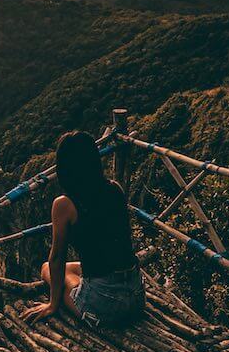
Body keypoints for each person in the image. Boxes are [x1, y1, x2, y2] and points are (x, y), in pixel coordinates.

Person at [21, 130, 145, 327]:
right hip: (136, 295)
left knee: (46, 268)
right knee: (74, 268)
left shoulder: (64, 204)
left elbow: (57, 257)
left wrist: (53, 304)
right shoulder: (115, 188)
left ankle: (65, 298)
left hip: (104, 306)